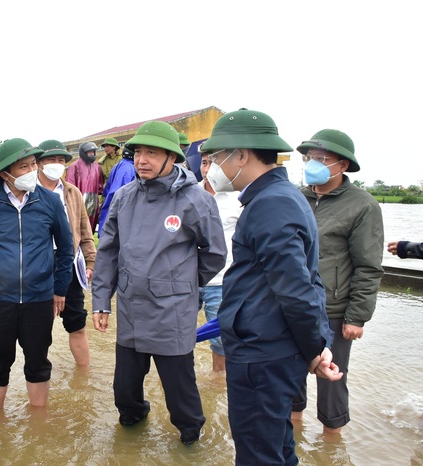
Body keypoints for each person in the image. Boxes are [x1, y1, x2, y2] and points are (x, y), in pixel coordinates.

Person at [201, 108, 342, 466]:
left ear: (242, 155)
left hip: (262, 354)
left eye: (216, 157)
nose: (213, 166)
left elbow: (295, 288)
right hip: (272, 347)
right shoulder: (281, 196)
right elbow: (308, 280)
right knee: (278, 447)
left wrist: (315, 348)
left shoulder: (271, 203)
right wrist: (317, 343)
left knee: (257, 454)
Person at [91, 120, 227, 445]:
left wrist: (183, 285)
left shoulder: (195, 199)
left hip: (173, 312)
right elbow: (108, 252)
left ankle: (191, 438)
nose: (141, 160)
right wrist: (100, 301)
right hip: (131, 310)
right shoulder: (124, 198)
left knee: (181, 396)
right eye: (138, 152)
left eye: (151, 152)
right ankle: (134, 423)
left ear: (173, 157)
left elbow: (215, 254)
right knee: (124, 393)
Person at [0, 138, 73, 410]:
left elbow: (65, 247)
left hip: (39, 298)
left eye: (33, 164)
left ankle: (38, 424)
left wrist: (59, 288)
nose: (31, 170)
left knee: (38, 362)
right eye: (23, 166)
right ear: (5, 173)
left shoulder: (49, 201)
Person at [291, 129, 384, 435]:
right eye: (309, 158)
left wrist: (357, 316)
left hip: (332, 309)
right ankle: (295, 435)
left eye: (321, 159)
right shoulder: (295, 198)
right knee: (290, 375)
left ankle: (332, 444)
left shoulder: (362, 206)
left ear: (342, 166)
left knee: (331, 379)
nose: (312, 164)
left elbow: (368, 266)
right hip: (291, 303)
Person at [36, 139, 96, 366]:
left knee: (77, 323)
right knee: (40, 328)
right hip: (38, 267)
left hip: (68, 266)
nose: (57, 164)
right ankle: (39, 377)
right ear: (39, 163)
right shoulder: (29, 191)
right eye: (52, 159)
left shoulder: (72, 193)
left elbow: (84, 230)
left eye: (61, 160)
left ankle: (84, 376)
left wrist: (90, 263)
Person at [197, 150, 242, 372]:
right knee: (175, 335)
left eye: (213, 163)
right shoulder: (188, 194)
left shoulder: (239, 198)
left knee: (222, 342)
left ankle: (217, 386)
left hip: (223, 283)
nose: (207, 169)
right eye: (204, 163)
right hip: (188, 280)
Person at [98, 144, 136, 237]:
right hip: (118, 214)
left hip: (110, 208)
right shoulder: (128, 169)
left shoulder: (119, 165)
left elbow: (108, 189)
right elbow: (122, 195)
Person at [65, 141, 103, 234]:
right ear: (83, 152)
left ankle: (89, 245)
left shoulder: (97, 166)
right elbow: (70, 186)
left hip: (93, 200)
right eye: (89, 152)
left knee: (91, 227)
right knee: (78, 226)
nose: (92, 154)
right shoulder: (74, 166)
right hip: (79, 200)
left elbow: (100, 186)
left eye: (93, 152)